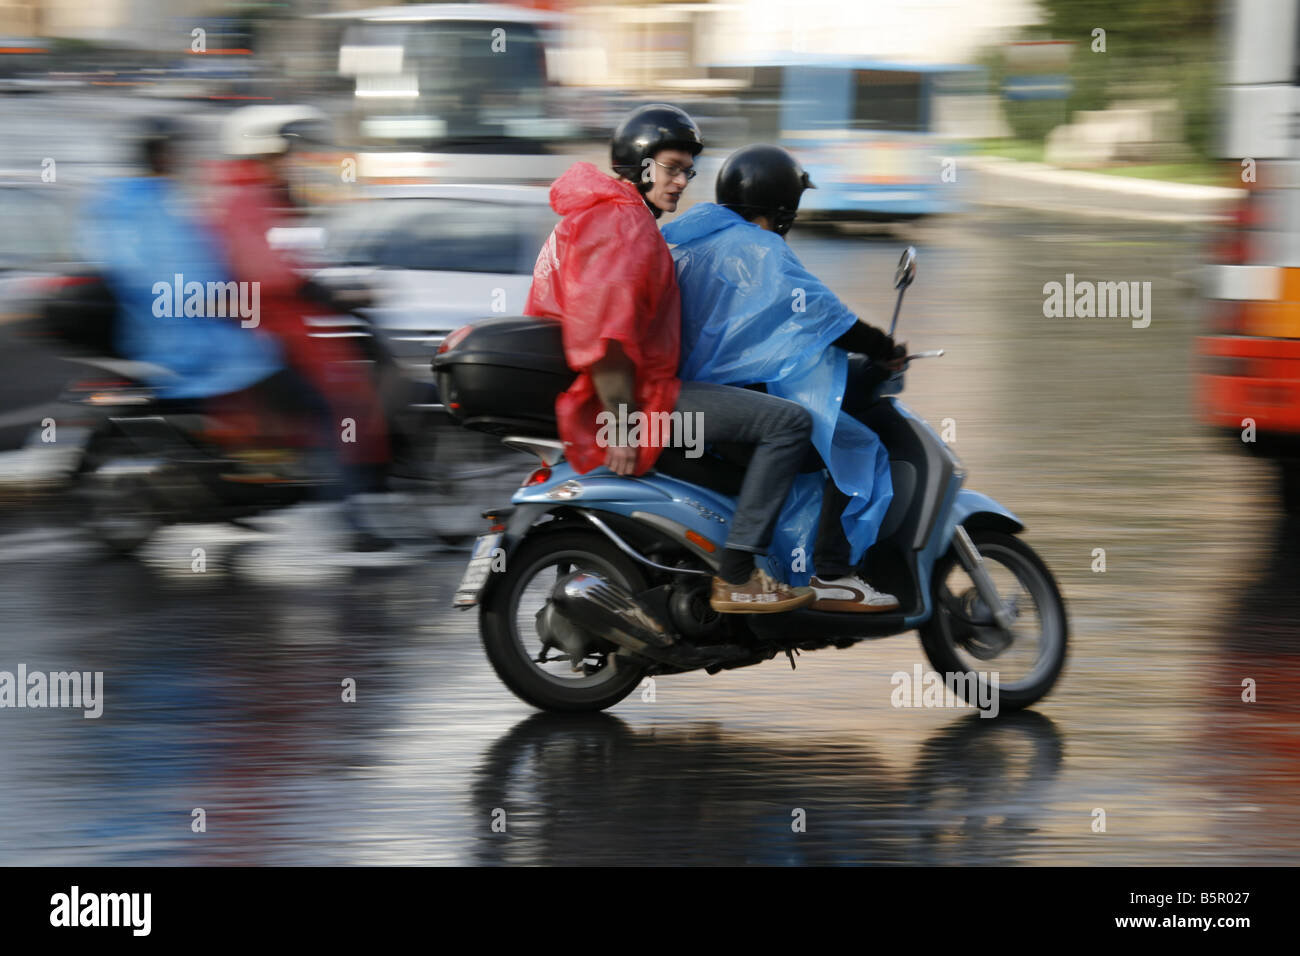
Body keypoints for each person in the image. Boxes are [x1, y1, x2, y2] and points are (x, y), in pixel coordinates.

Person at [525, 105, 817, 613]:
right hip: (639, 397)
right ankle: (738, 575)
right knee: (787, 425)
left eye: (688, 171)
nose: (682, 182)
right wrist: (622, 421)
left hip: (618, 389)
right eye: (672, 168)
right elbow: (605, 330)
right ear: (640, 165)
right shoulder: (622, 219)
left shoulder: (601, 211)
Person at [662, 144, 900, 612]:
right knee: (845, 442)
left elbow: (758, 328)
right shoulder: (759, 248)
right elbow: (823, 314)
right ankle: (830, 573)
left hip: (691, 400)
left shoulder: (692, 244)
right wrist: (884, 348)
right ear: (784, 203)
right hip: (722, 405)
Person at [208, 106, 394, 549]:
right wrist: (313, 288)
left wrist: (330, 288)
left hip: (286, 329)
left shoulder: (264, 197)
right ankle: (349, 522)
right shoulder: (246, 199)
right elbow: (266, 270)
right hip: (268, 336)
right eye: (282, 155)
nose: (290, 163)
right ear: (261, 155)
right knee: (332, 409)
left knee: (342, 395)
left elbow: (293, 255)